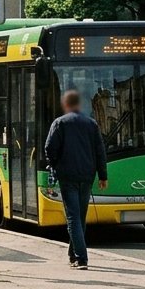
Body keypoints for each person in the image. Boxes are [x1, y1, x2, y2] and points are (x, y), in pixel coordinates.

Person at [45, 90, 108, 270]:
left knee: (73, 217)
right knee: (80, 216)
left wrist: (55, 164)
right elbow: (99, 152)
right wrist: (103, 176)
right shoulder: (91, 124)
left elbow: (49, 148)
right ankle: (73, 254)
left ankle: (81, 258)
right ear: (78, 105)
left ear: (66, 104)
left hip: (68, 176)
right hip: (87, 176)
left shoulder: (59, 123)